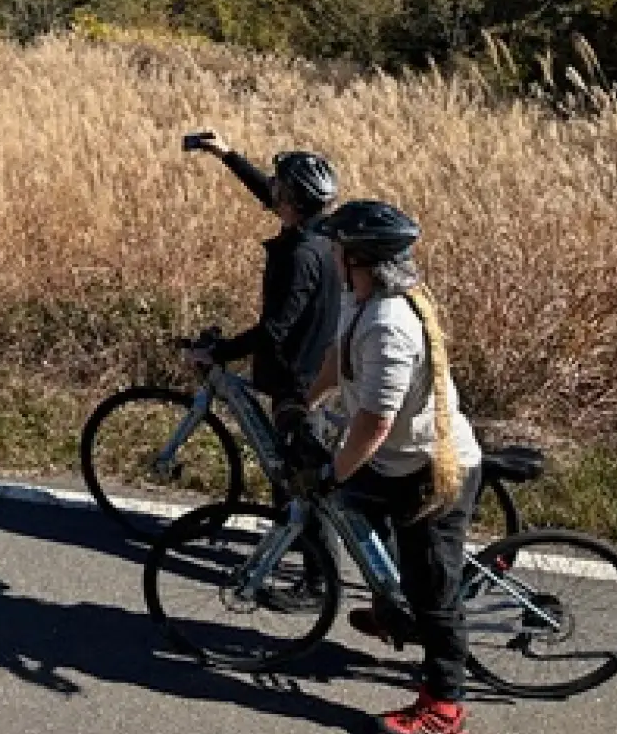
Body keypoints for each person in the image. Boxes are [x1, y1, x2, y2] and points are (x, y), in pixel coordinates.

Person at [306, 200, 483, 734]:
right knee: (361, 517)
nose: (330, 251)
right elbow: (339, 357)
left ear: (358, 257)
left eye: (337, 246)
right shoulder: (357, 296)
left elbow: (373, 423)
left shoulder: (389, 325)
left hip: (429, 470)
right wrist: (304, 400)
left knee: (435, 595)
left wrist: (334, 470)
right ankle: (392, 609)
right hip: (395, 461)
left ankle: (444, 705)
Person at [181, 133, 342, 418]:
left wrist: (219, 352)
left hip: (297, 378)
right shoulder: (329, 235)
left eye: (278, 187)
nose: (272, 190)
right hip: (321, 364)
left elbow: (274, 330)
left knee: (293, 458)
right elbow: (268, 193)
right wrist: (226, 154)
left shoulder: (299, 256)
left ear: (288, 200)